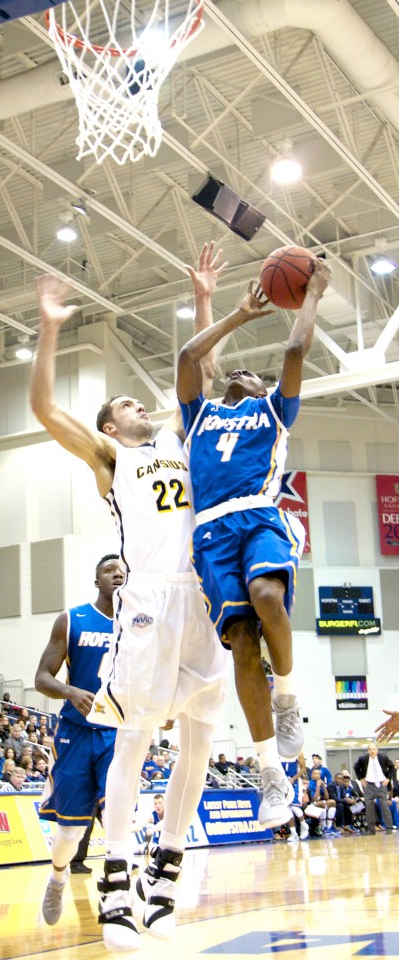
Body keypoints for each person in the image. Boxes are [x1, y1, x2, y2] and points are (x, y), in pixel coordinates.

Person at [31, 243, 229, 951]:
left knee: (202, 736)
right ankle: (117, 878)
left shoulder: (182, 436)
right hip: (147, 601)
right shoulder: (113, 459)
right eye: (123, 402)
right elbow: (46, 407)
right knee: (135, 737)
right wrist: (50, 327)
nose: (136, 401)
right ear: (110, 427)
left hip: (203, 598)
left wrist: (203, 301)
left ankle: (167, 870)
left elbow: (199, 374)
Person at [176, 259, 330, 830]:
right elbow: (190, 359)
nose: (240, 370)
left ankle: (287, 696)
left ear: (263, 390)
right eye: (233, 370)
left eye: (251, 372)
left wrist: (311, 293)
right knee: (241, 643)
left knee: (268, 594)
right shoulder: (201, 415)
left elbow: (293, 353)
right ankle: (271, 773)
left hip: (259, 516)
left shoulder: (274, 410)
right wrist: (237, 313)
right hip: (211, 531)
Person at [35, 554, 123, 925]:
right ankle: (58, 877)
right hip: (75, 732)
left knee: (118, 816)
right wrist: (71, 691)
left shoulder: (140, 624)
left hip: (118, 732)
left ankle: (116, 889)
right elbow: (42, 677)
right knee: (70, 831)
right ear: (96, 581)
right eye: (109, 570)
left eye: (122, 569)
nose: (118, 573)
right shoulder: (72, 619)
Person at [354, 743, 394, 834]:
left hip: (381, 785)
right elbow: (356, 767)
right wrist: (361, 779)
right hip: (369, 786)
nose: (372, 751)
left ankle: (389, 828)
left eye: (374, 749)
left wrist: (388, 779)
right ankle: (371, 829)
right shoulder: (363, 759)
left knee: (384, 806)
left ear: (377, 750)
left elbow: (392, 767)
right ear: (368, 751)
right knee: (369, 807)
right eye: (370, 749)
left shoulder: (383, 758)